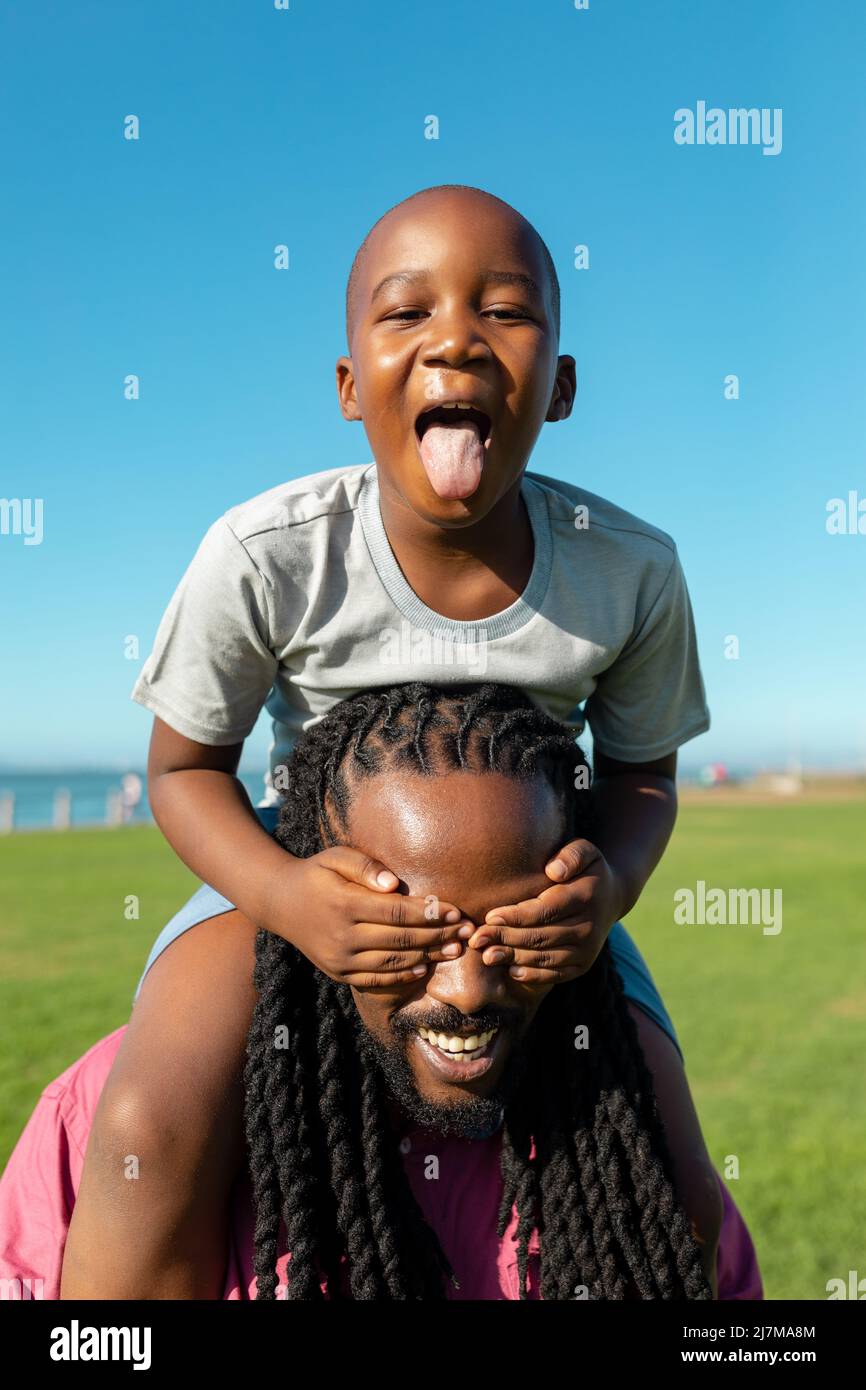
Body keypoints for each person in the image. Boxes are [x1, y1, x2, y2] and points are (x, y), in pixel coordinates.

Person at [61, 183, 718, 1295]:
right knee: (148, 1116)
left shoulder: (629, 567)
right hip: (300, 866)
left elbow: (641, 777)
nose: (454, 335)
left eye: (504, 311)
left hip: (534, 896)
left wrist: (604, 888)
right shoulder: (266, 552)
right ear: (349, 385)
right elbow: (180, 771)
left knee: (672, 1165)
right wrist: (285, 898)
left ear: (557, 388)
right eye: (405, 313)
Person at [1, 685, 762, 1299]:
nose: (466, 991)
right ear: (328, 910)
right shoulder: (105, 1116)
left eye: (514, 929)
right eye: (412, 934)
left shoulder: (626, 1149)